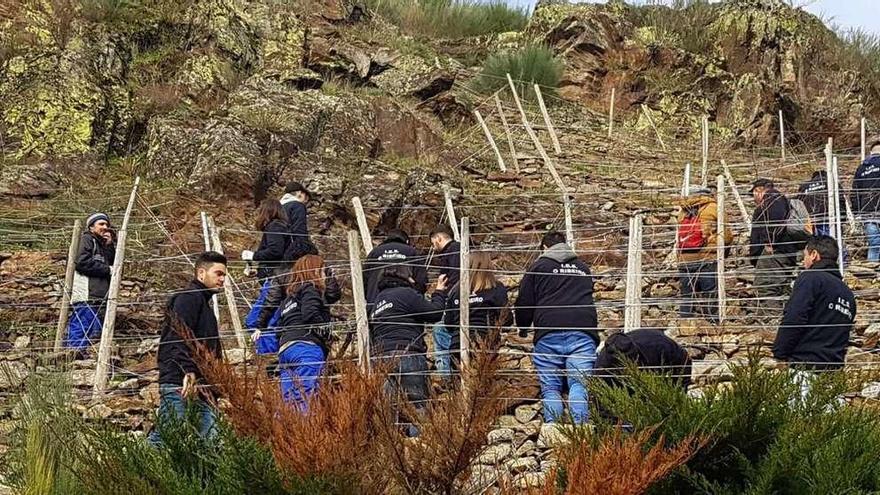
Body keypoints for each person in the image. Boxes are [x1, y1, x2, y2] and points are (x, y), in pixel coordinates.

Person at [515, 231, 599, 424]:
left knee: (550, 388)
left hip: (548, 331)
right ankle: (582, 432)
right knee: (579, 384)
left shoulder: (538, 267)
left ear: (544, 248)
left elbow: (524, 302)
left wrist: (523, 327)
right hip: (582, 330)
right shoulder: (583, 268)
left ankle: (553, 434)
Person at [150, 252, 227, 445]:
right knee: (168, 438)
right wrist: (188, 371)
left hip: (201, 385)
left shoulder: (202, 304)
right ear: (201, 273)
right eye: (218, 273)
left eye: (224, 275)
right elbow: (177, 336)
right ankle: (130, 472)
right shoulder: (189, 299)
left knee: (209, 439)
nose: (222, 279)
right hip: (182, 381)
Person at [773, 236, 856, 397]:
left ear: (814, 255)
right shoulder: (848, 294)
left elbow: (795, 317)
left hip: (804, 368)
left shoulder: (811, 278)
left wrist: (779, 352)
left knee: (798, 419)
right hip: (832, 373)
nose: (804, 261)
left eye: (805, 256)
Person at [370, 265, 447, 436]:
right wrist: (439, 292)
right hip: (407, 353)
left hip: (381, 358)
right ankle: (418, 446)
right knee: (418, 405)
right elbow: (435, 313)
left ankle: (389, 449)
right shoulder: (406, 294)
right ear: (406, 278)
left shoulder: (377, 302)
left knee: (387, 410)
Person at [274, 255, 341, 409]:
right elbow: (310, 313)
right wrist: (326, 333)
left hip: (286, 351)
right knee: (307, 397)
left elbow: (278, 327)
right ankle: (307, 431)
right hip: (306, 348)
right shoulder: (310, 289)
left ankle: (283, 432)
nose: (325, 276)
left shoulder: (288, 299)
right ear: (316, 271)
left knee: (288, 402)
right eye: (324, 272)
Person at [443, 252, 510, 368]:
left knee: (458, 383)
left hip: (458, 344)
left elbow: (448, 323)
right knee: (482, 383)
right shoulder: (496, 288)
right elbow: (507, 319)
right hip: (486, 344)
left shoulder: (455, 290)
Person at [677, 187, 732, 323]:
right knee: (710, 293)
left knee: (687, 294)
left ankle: (685, 323)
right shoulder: (714, 208)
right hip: (707, 256)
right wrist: (724, 254)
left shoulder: (683, 211)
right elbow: (726, 236)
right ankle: (712, 323)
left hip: (685, 259)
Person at [242, 199, 290, 355]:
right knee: (269, 320)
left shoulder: (274, 227)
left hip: (273, 281)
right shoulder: (281, 227)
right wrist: (258, 270)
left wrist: (254, 255)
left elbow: (275, 251)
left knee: (257, 321)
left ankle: (267, 354)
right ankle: (269, 353)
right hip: (276, 278)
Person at [66, 213, 116, 352]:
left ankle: (81, 357)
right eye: (101, 224)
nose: (105, 227)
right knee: (83, 324)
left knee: (94, 329)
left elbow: (110, 262)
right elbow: (82, 262)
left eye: (107, 225)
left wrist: (109, 246)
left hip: (98, 294)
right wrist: (107, 269)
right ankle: (73, 353)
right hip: (86, 292)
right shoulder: (87, 239)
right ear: (91, 227)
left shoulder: (102, 245)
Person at [749, 178, 797, 315]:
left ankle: (775, 320)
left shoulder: (773, 198)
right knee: (779, 286)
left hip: (774, 252)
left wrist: (769, 241)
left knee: (766, 286)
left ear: (758, 190)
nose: (753, 197)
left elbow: (776, 220)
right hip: (778, 251)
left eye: (753, 193)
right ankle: (785, 316)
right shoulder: (774, 199)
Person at [594, 329, 692, 390]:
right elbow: (601, 403)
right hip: (623, 391)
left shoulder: (658, 344)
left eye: (632, 362)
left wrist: (678, 393)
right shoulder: (602, 368)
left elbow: (684, 361)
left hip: (658, 378)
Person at [363, 228, 428, 310]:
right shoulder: (411, 252)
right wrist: (417, 300)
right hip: (405, 306)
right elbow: (421, 281)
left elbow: (364, 282)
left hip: (376, 306)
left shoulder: (374, 253)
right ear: (407, 241)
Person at [428, 225, 460, 378]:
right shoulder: (457, 250)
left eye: (433, 242)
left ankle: (447, 376)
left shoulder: (452, 251)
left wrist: (442, 292)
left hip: (454, 301)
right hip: (458, 300)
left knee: (440, 330)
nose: (433, 247)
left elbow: (455, 277)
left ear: (438, 238)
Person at [852, 136, 880, 262]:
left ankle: (872, 274)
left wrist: (857, 212)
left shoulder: (861, 168)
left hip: (867, 212)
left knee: (874, 246)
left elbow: (855, 193)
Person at [280, 181, 318, 262]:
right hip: (291, 250)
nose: (306, 201)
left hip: (278, 249)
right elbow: (299, 229)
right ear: (299, 193)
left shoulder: (278, 207)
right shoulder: (297, 206)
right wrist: (304, 248)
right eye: (306, 196)